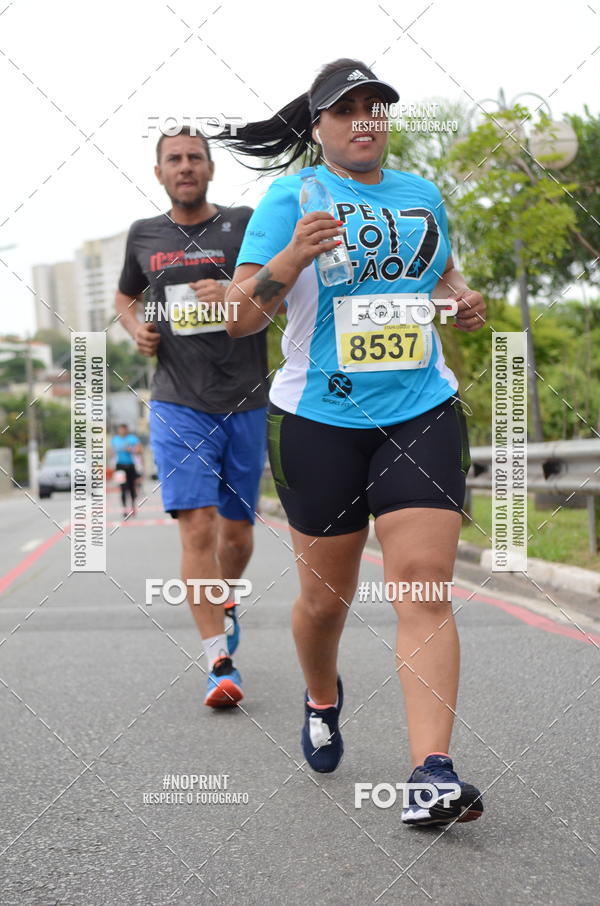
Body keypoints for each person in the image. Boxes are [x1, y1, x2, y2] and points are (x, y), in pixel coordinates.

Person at [222, 59, 487, 826]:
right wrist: (292, 256)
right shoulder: (289, 197)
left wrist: (459, 301)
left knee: (424, 582)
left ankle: (431, 772)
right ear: (318, 127)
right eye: (347, 110)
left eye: (376, 108)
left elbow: (440, 282)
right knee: (323, 601)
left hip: (420, 410)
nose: (364, 119)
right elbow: (240, 317)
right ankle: (321, 694)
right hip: (320, 423)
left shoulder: (421, 195)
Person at [115, 126, 270, 708]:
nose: (185, 166)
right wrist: (137, 330)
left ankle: (225, 598)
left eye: (195, 158)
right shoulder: (143, 236)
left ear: (209, 169)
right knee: (197, 526)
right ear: (159, 172)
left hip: (246, 398)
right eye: (174, 159)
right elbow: (127, 297)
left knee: (237, 532)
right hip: (178, 399)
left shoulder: (243, 222)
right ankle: (218, 662)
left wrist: (233, 287)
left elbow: (273, 282)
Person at [111, 423, 141, 519]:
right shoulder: (115, 440)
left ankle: (133, 507)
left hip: (130, 466)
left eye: (124, 429)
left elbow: (139, 450)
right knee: (123, 488)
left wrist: (130, 449)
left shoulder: (132, 439)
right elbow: (111, 452)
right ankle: (124, 509)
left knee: (132, 488)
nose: (122, 431)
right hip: (120, 466)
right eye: (120, 429)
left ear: (126, 430)